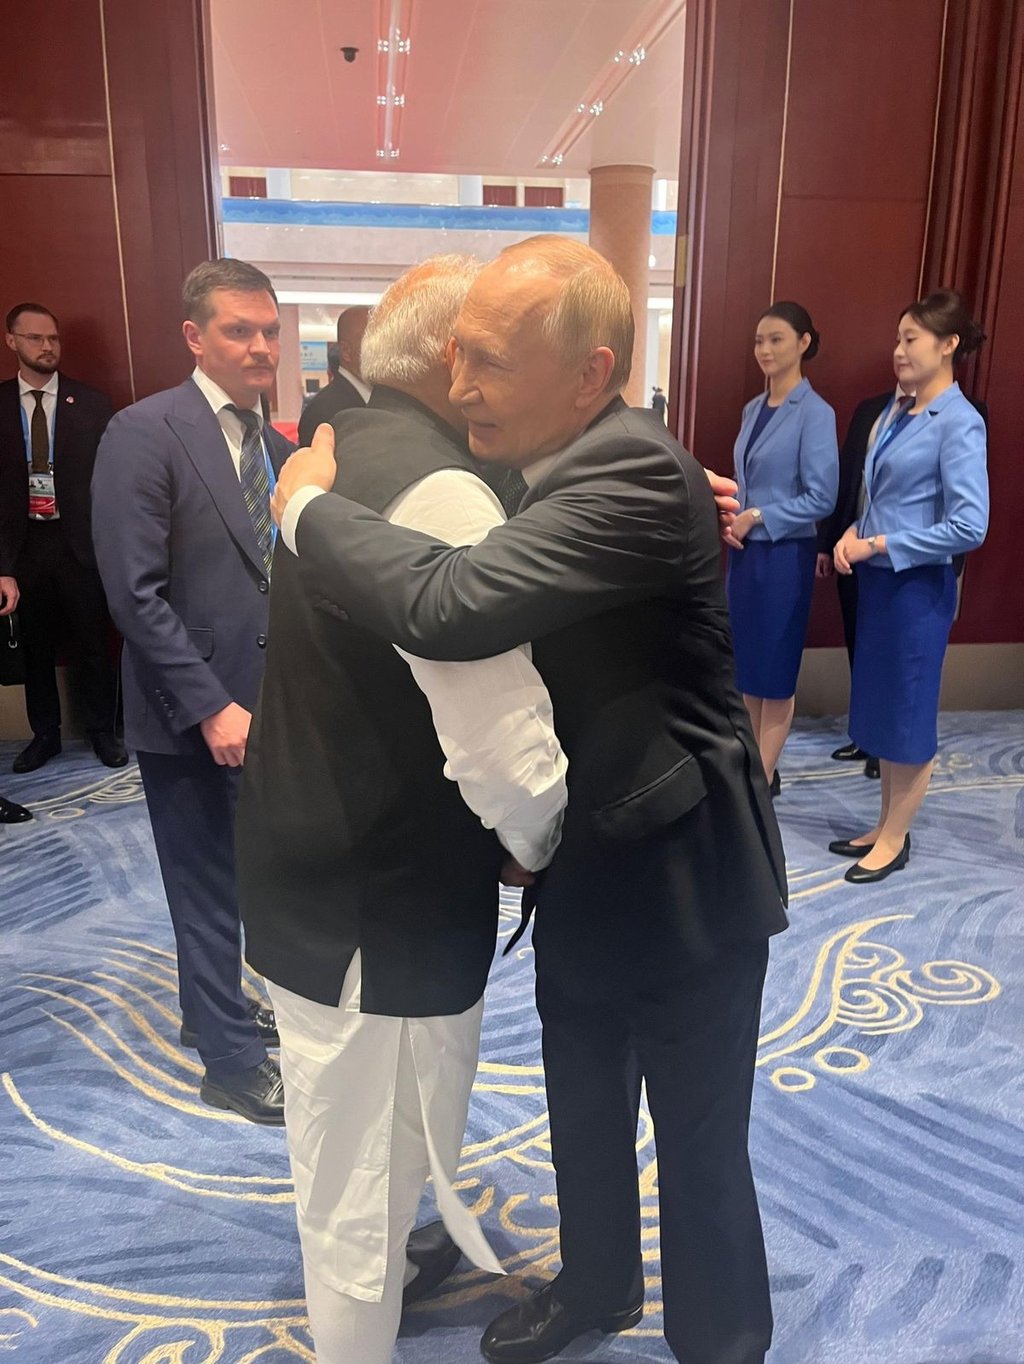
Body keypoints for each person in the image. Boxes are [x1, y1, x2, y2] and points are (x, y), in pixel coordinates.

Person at [272, 235, 788, 1364]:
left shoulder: (632, 472)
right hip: (580, 856)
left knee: (700, 1140)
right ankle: (597, 1288)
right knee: (583, 1106)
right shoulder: (560, 457)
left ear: (591, 372)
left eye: (490, 364)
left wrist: (305, 509)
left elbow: (452, 602)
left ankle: (722, 1341)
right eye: (459, 356)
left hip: (686, 878)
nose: (459, 387)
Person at [236, 254, 569, 1363]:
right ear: (453, 358)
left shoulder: (337, 449)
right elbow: (499, 739)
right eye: (505, 346)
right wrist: (539, 840)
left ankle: (381, 1276)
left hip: (315, 850)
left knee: (360, 1141)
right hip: (374, 887)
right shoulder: (439, 491)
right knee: (357, 1165)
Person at [91, 259, 292, 1124]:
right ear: (194, 337)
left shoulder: (277, 450)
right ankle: (230, 1062)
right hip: (187, 709)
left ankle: (207, 1008)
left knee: (241, 873)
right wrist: (209, 704)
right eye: (238, 330)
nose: (260, 347)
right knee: (203, 879)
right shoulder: (145, 431)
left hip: (268, 703)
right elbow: (133, 593)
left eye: (269, 331)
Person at [830, 289, 988, 882]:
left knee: (909, 716)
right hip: (880, 588)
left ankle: (895, 840)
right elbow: (883, 498)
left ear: (948, 345)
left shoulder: (960, 422)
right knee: (882, 711)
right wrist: (854, 530)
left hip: (918, 592)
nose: (898, 350)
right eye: (897, 339)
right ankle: (885, 824)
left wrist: (878, 544)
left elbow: (969, 526)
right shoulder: (900, 412)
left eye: (911, 339)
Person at [0, 304, 126, 773]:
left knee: (94, 641)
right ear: (12, 341)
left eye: (53, 338)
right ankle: (45, 735)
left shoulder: (91, 403)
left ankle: (102, 731)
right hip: (25, 546)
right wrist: (2, 565)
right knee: (36, 648)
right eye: (34, 338)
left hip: (79, 543)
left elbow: (112, 480)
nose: (47, 346)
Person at [723, 302, 838, 794]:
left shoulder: (815, 412)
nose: (764, 349)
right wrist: (734, 515)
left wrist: (757, 516)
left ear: (804, 343)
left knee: (775, 671)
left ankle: (762, 778)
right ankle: (754, 765)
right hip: (745, 556)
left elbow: (822, 496)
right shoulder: (754, 408)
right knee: (749, 669)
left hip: (784, 557)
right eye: (759, 341)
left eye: (776, 339)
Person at [296, 305, 371, 446]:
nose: (382, 352)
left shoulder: (379, 399)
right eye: (372, 343)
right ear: (346, 351)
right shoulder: (323, 412)